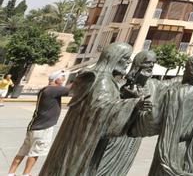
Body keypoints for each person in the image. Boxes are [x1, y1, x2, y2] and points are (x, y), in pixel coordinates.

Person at [40, 43, 140, 176]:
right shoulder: (102, 80)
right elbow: (101, 108)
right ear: (112, 58)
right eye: (125, 58)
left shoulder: (102, 78)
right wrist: (134, 104)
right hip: (83, 141)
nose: (129, 62)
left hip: (79, 137)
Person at [96, 50, 162, 176]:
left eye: (153, 63)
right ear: (138, 64)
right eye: (148, 62)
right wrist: (133, 102)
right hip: (117, 134)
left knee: (122, 165)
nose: (151, 66)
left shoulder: (153, 85)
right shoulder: (120, 83)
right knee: (105, 165)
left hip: (134, 136)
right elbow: (109, 107)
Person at [7, 72, 69, 176]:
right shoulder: (53, 89)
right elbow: (73, 89)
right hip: (43, 127)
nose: (63, 81)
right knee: (35, 152)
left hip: (34, 126)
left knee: (23, 150)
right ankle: (26, 174)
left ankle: (11, 173)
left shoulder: (45, 89)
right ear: (57, 79)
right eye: (62, 79)